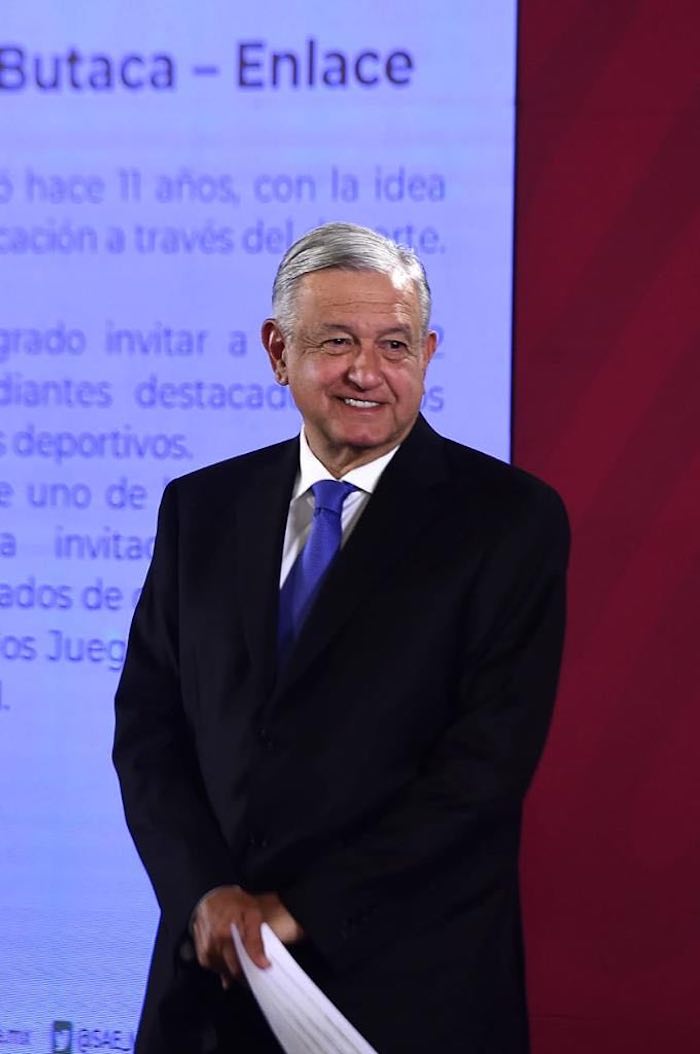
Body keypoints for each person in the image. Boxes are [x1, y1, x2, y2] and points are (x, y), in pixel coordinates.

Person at [113, 221, 569, 1053]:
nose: (367, 370)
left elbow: (483, 770)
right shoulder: (200, 509)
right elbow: (149, 731)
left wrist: (301, 912)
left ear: (428, 353)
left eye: (394, 344)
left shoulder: (507, 522)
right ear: (277, 351)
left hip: (406, 988)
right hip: (210, 986)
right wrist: (204, 895)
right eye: (336, 342)